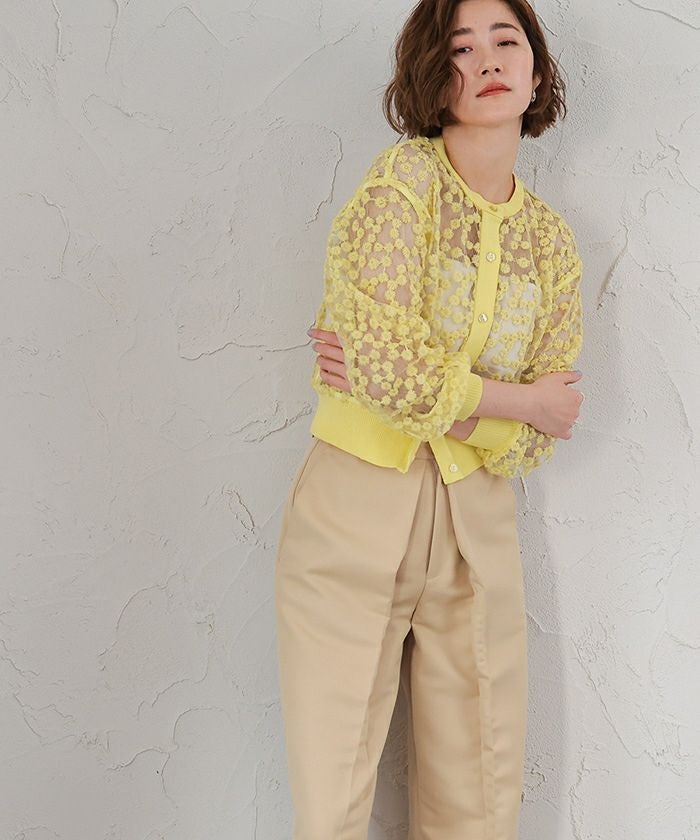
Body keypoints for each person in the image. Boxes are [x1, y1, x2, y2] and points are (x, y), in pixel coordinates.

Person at [275, 0, 585, 838]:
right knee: (331, 806)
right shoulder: (401, 184)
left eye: (506, 41)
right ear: (431, 77)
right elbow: (388, 361)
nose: (487, 60)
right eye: (459, 48)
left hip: (477, 524)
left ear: (536, 71)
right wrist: (519, 400)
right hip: (352, 505)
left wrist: (416, 388)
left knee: (478, 805)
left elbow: (539, 435)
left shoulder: (552, 244)